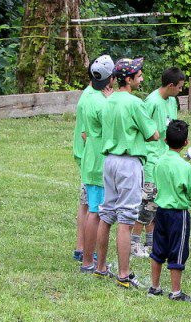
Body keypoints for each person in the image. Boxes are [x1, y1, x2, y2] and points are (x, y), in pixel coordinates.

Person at [95, 58, 159, 288]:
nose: (142, 79)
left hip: (109, 161)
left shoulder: (109, 100)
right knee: (126, 218)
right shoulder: (135, 103)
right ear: (128, 79)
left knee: (106, 213)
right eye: (139, 75)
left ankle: (100, 267)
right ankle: (124, 275)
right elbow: (153, 134)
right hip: (129, 163)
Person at [131, 67, 185, 258]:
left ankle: (150, 241)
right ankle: (134, 242)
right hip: (151, 160)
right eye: (179, 87)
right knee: (146, 203)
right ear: (170, 85)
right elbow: (142, 128)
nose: (181, 90)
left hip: (165, 159)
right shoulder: (152, 102)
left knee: (156, 203)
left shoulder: (172, 101)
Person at [147, 120, 191, 302]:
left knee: (158, 249)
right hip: (179, 214)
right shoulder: (185, 167)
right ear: (186, 142)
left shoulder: (159, 162)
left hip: (160, 212)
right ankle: (176, 292)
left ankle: (154, 287)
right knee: (177, 251)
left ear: (165, 140)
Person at [77, 55, 114, 272]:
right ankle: (89, 262)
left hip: (90, 159)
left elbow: (84, 133)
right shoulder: (103, 103)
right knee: (96, 213)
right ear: (110, 80)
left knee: (93, 210)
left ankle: (88, 259)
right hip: (100, 161)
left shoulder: (88, 96)